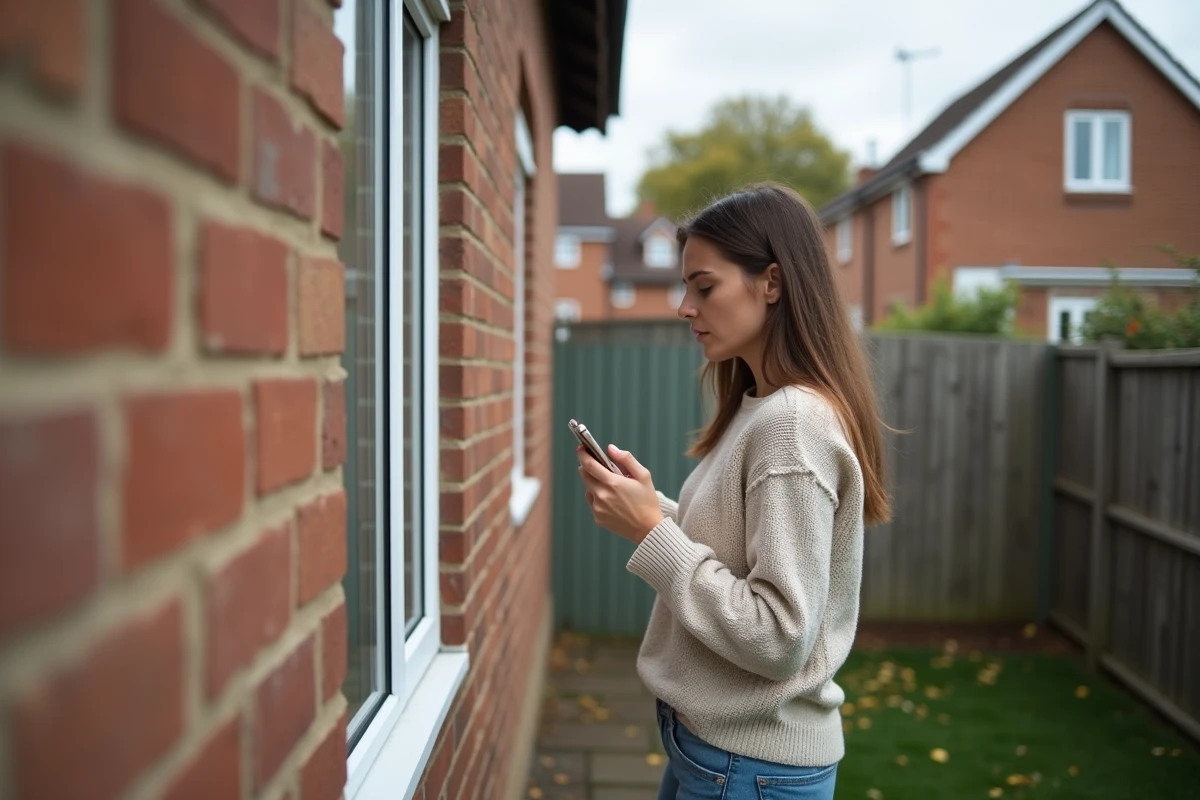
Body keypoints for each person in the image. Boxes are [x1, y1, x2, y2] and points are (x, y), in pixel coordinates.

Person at [574, 183, 891, 800]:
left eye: (704, 286)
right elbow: (736, 546)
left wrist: (651, 533)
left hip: (747, 768)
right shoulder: (762, 407)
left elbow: (778, 635)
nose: (684, 306)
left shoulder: (791, 424)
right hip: (719, 752)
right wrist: (652, 508)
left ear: (771, 282)